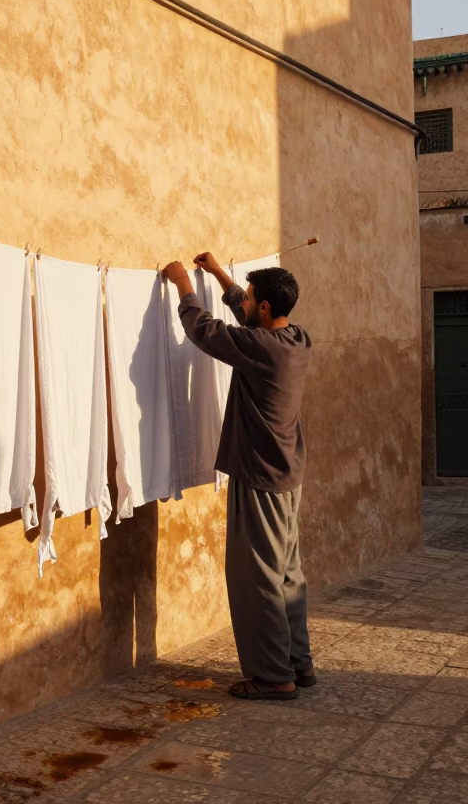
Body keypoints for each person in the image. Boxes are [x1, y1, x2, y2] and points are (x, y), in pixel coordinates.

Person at [162, 253, 314, 700]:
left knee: (258, 579)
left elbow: (206, 331)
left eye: (249, 299)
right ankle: (298, 665)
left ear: (264, 307)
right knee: (288, 575)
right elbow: (247, 322)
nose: (243, 302)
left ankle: (273, 676)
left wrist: (184, 286)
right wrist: (219, 275)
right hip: (287, 476)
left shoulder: (259, 348)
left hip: (261, 477)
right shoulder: (297, 340)